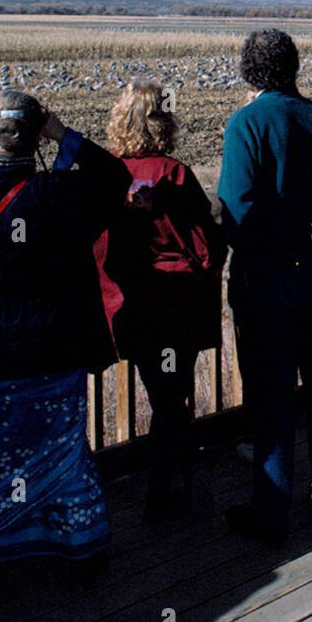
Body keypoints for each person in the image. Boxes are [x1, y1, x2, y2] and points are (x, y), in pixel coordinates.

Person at [0, 91, 130, 585]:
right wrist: (60, 135)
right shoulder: (59, 195)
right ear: (36, 138)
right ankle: (76, 549)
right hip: (49, 357)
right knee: (59, 459)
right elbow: (114, 177)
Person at [218, 30, 312, 543]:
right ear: (294, 67)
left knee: (271, 394)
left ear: (247, 72)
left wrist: (264, 243)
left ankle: (271, 514)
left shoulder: (247, 123)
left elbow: (236, 208)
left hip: (267, 280)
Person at [95, 78, 226, 521]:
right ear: (162, 122)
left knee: (164, 395)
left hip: (135, 303)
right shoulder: (174, 172)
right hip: (180, 299)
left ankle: (165, 489)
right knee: (172, 395)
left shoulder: (106, 175)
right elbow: (205, 236)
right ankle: (178, 478)